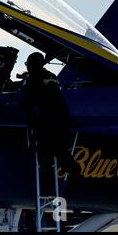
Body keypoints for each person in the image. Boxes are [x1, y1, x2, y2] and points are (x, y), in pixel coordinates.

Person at [21, 52, 76, 192]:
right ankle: (70, 167)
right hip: (63, 118)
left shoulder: (33, 79)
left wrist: (33, 122)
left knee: (45, 157)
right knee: (61, 150)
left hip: (48, 121)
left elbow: (26, 103)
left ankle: (46, 188)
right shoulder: (52, 76)